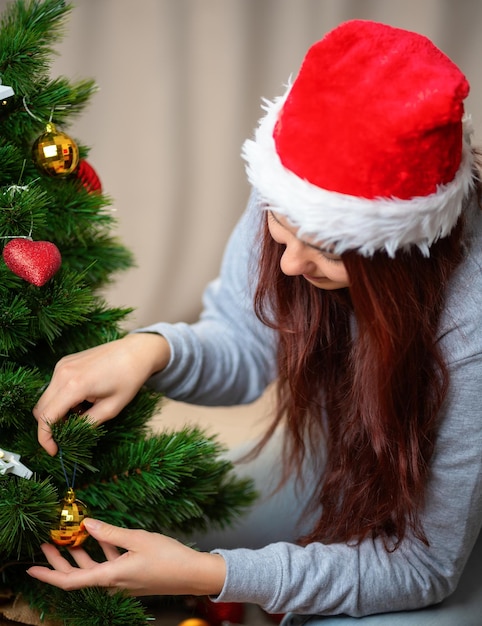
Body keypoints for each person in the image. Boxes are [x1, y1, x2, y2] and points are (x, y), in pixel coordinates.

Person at [27, 19, 482, 625]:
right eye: (282, 229)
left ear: (398, 249)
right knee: (174, 520)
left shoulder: (469, 323)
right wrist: (151, 350)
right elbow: (243, 347)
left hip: (438, 535)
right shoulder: (293, 188)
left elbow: (422, 566)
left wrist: (214, 575)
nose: (291, 264)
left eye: (324, 248)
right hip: (343, 468)